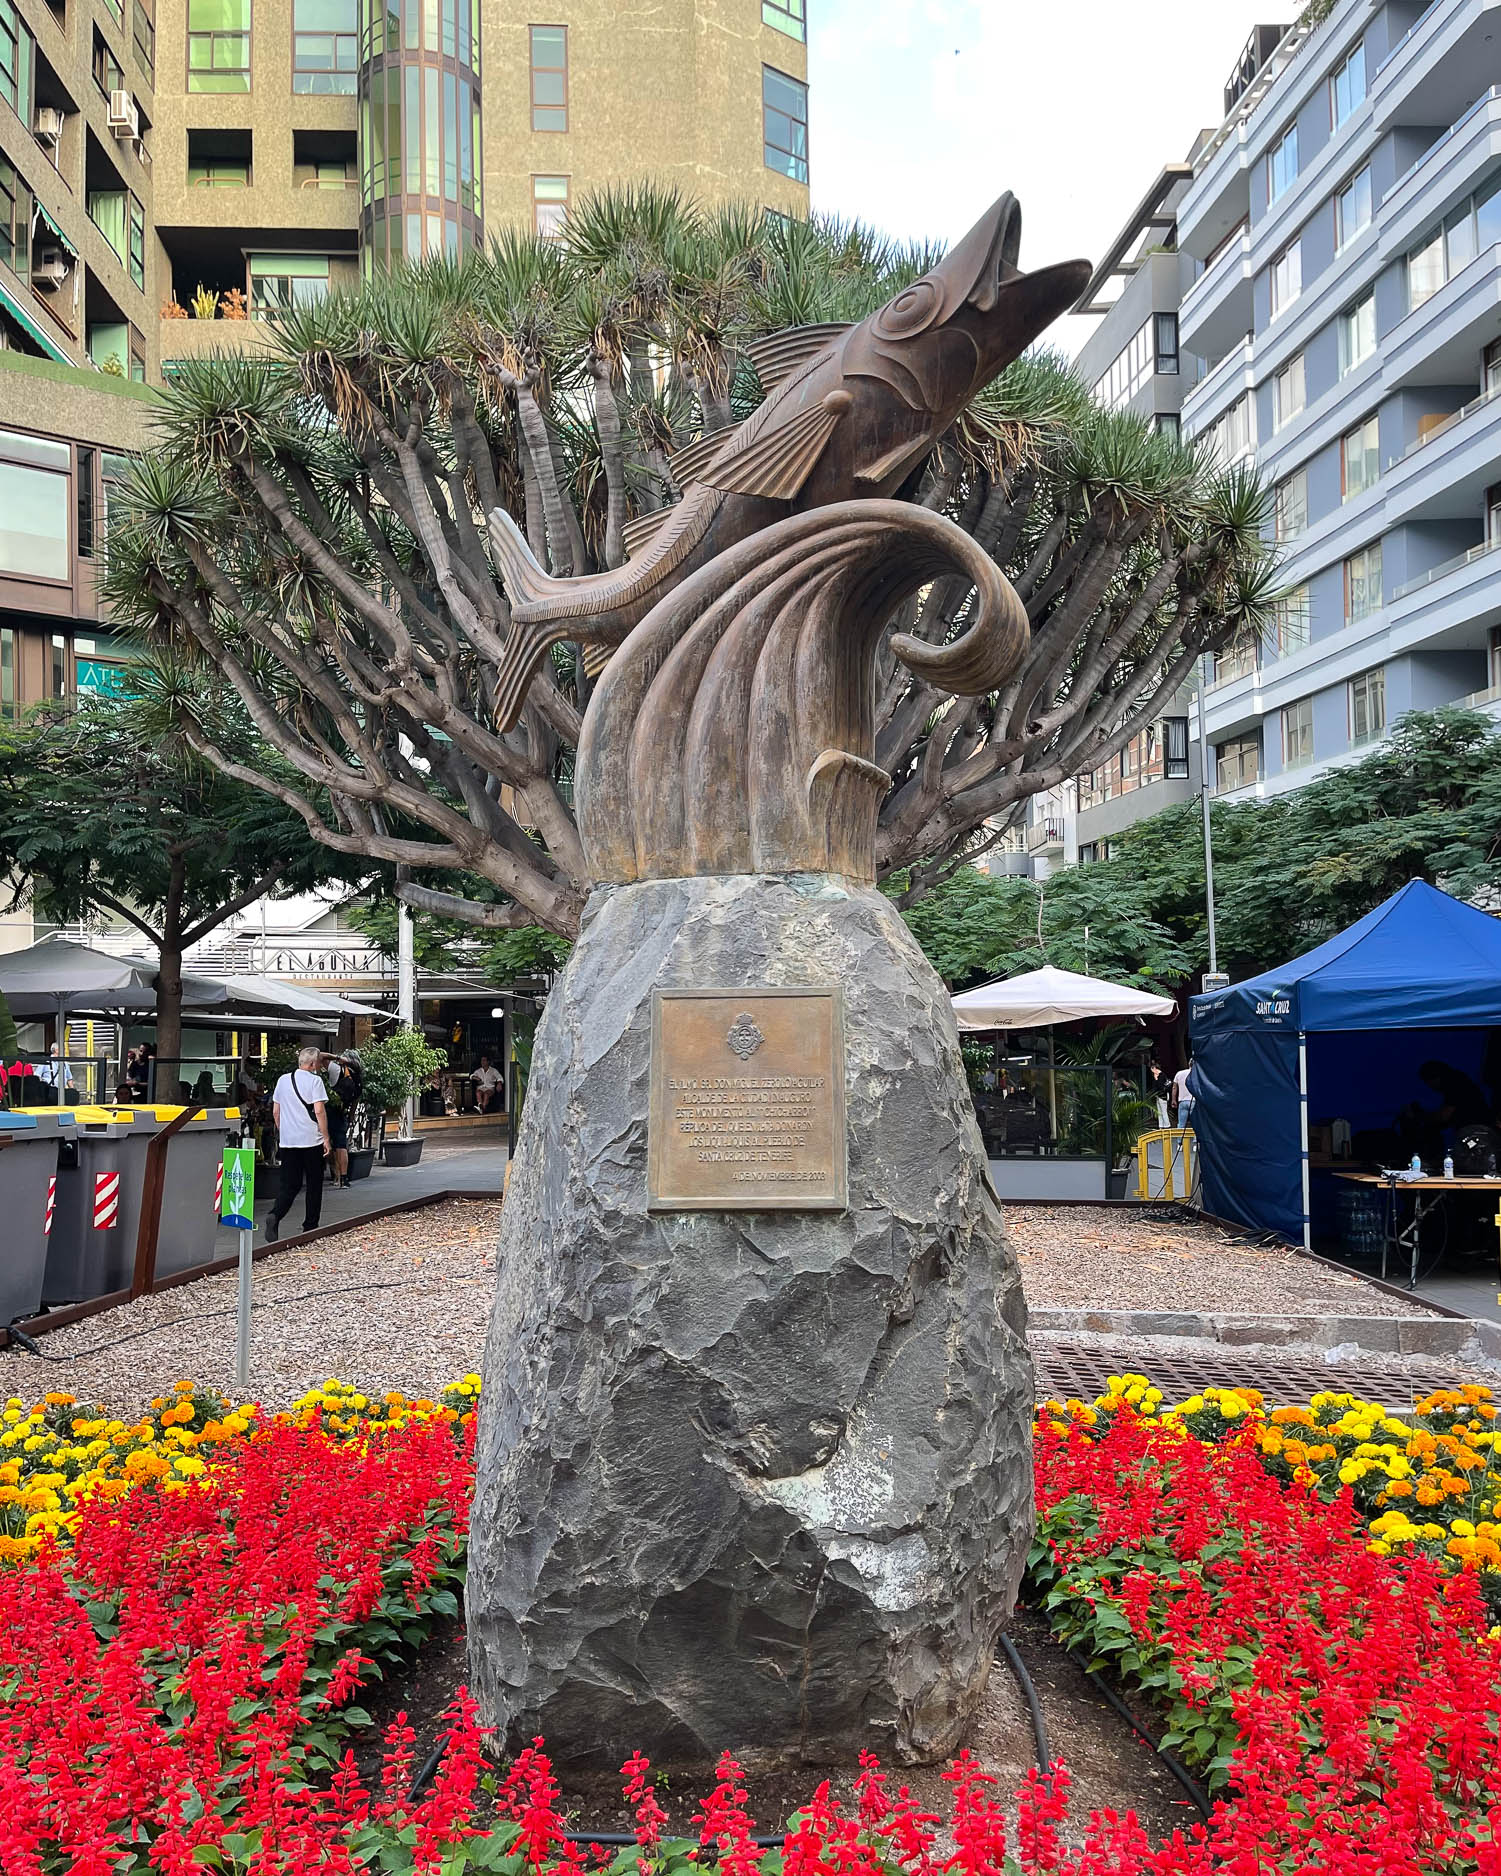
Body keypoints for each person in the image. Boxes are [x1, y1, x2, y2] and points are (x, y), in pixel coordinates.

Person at [266, 1046, 330, 1242]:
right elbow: (319, 1111)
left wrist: (284, 1130)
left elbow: (276, 1111)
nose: (319, 1066)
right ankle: (310, 1226)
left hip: (288, 1141)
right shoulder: (315, 1081)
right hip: (311, 1140)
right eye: (318, 1062)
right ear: (312, 1064)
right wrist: (326, 1137)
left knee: (289, 1185)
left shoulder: (283, 1080)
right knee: (314, 1184)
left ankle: (275, 1214)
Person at [321, 1050, 355, 1188]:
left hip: (330, 1110)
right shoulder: (357, 1074)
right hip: (343, 1111)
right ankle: (344, 1178)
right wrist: (351, 1114)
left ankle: (335, 1175)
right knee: (341, 1145)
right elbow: (356, 1098)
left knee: (327, 1143)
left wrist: (336, 1057)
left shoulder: (336, 1069)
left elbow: (320, 1055)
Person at [1171, 1054, 1195, 1131]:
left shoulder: (1179, 1073)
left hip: (1182, 1101)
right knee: (1196, 1124)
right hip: (1194, 1101)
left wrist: (1173, 1100)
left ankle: (1179, 1141)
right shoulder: (1197, 1074)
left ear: (1189, 1064)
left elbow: (1174, 1088)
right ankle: (1195, 1142)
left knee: (1181, 1124)